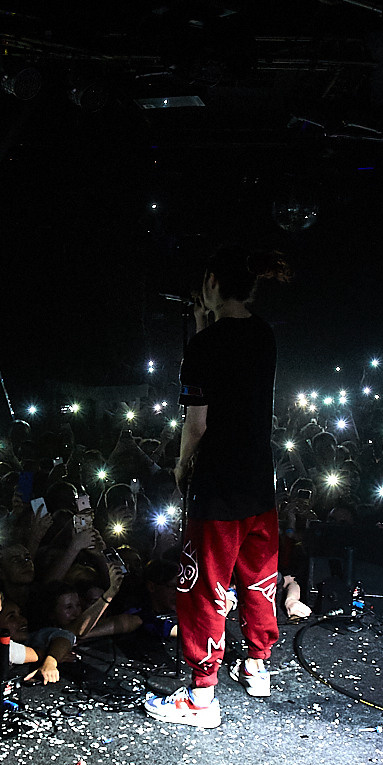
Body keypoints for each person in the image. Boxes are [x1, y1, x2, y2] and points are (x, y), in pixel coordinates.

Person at [144, 246, 288, 729]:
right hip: (257, 478)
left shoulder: (202, 348)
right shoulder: (264, 334)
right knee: (258, 573)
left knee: (204, 583)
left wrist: (183, 466)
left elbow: (197, 422)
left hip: (218, 481)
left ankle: (202, 697)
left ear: (210, 283)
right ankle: (257, 663)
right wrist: (206, 321)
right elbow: (226, 361)